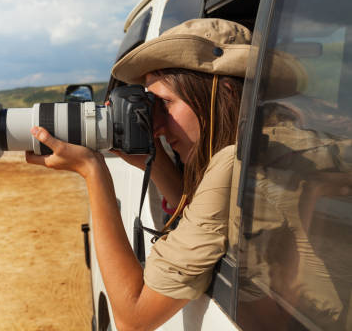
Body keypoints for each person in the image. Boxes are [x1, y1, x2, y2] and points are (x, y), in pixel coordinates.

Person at [25, 18, 254, 330]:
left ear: (223, 91)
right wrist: (154, 160)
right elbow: (205, 218)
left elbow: (133, 317)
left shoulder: (232, 161)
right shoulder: (261, 149)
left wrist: (93, 171)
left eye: (165, 104)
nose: (157, 127)